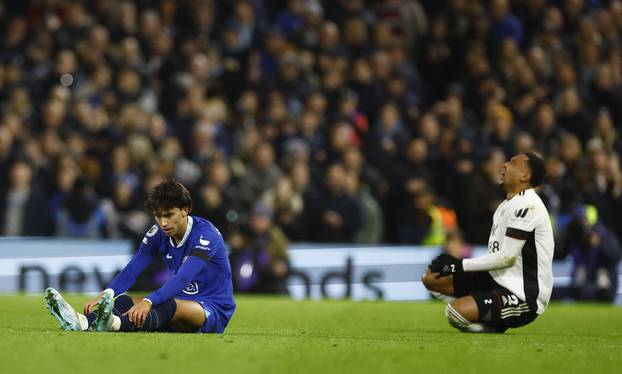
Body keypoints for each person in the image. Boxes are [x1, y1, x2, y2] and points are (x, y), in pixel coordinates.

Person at [44, 178, 236, 333]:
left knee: (164, 305)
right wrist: (108, 293)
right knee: (124, 301)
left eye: (168, 215)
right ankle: (83, 322)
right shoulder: (158, 233)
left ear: (185, 210)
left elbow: (184, 278)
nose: (163, 223)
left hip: (212, 309)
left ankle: (114, 324)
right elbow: (135, 266)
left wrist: (149, 300)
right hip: (177, 303)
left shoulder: (206, 235)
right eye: (157, 216)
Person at [422, 152, 554, 333]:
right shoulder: (505, 206)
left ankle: (486, 319)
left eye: (512, 163)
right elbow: (496, 254)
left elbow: (507, 258)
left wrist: (460, 265)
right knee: (431, 277)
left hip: (523, 294)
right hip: (496, 280)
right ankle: (486, 315)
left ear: (525, 176)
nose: (504, 165)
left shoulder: (528, 205)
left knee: (455, 312)